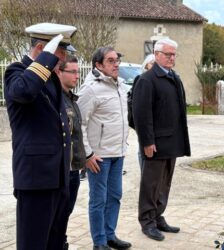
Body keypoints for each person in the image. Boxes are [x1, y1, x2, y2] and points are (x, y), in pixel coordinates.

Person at [4, 22, 77, 250]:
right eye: (60, 54)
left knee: (55, 241)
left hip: (57, 176)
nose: (62, 61)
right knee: (33, 243)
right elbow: (25, 92)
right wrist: (45, 59)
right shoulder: (16, 73)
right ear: (40, 50)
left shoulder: (52, 79)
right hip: (35, 179)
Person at [132, 38, 191, 241]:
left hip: (172, 142)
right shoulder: (147, 80)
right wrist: (147, 142)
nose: (171, 58)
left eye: (173, 54)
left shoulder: (174, 77)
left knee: (164, 184)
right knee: (151, 184)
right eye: (167, 54)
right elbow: (142, 115)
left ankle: (157, 216)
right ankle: (147, 222)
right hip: (155, 144)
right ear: (156, 55)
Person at [77, 47, 132, 250]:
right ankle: (99, 242)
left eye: (117, 59)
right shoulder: (90, 89)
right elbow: (79, 124)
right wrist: (87, 154)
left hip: (118, 153)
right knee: (98, 200)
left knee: (115, 196)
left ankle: (110, 235)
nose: (116, 63)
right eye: (110, 60)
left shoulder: (119, 86)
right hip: (98, 156)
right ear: (98, 65)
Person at [57, 55, 86, 250]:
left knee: (66, 212)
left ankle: (61, 240)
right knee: (58, 213)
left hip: (74, 168)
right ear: (59, 72)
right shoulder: (56, 99)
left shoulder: (71, 99)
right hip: (62, 169)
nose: (77, 76)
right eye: (73, 72)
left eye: (78, 71)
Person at [130, 54, 155, 171]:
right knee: (144, 151)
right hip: (145, 125)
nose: (155, 66)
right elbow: (138, 107)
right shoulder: (141, 79)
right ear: (146, 65)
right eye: (152, 63)